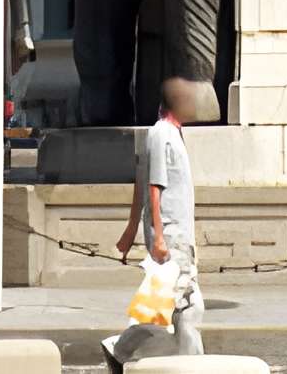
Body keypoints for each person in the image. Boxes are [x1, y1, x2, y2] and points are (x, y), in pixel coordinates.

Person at [106, 77, 203, 367]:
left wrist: (131, 229)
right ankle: (192, 365)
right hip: (171, 236)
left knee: (170, 307)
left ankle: (122, 350)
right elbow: (153, 187)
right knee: (186, 306)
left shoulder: (168, 133)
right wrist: (158, 236)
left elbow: (140, 183)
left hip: (177, 233)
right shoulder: (163, 134)